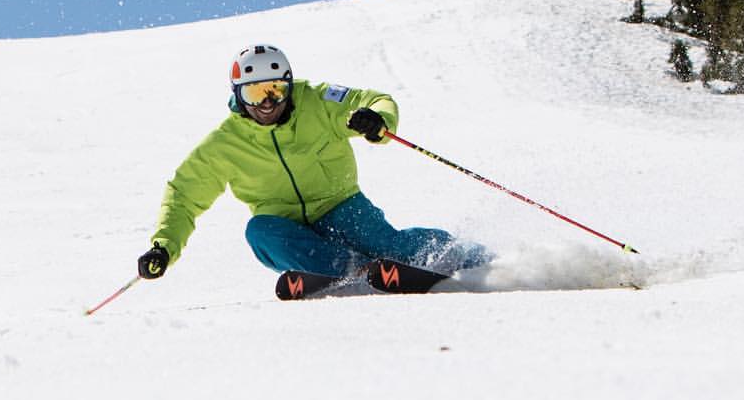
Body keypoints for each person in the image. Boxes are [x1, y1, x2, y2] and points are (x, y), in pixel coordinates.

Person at [137, 44, 489, 283]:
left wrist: (375, 121)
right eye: (254, 94)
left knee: (389, 246)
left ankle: (467, 255)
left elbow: (376, 99)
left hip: (341, 206)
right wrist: (163, 247)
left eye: (274, 90)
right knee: (259, 231)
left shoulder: (318, 101)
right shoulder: (224, 144)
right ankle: (355, 270)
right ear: (237, 95)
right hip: (287, 227)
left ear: (288, 87)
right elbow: (184, 194)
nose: (266, 103)